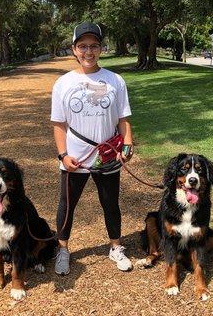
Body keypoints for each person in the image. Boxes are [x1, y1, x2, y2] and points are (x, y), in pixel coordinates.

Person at [51, 22, 134, 275]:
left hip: (107, 155)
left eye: (94, 46)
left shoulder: (115, 80)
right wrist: (64, 155)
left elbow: (123, 118)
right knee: (67, 205)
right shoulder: (63, 83)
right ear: (74, 49)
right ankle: (63, 249)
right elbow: (59, 124)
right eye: (83, 46)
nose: (89, 51)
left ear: (101, 48)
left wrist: (127, 143)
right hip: (75, 157)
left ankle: (116, 247)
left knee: (110, 203)